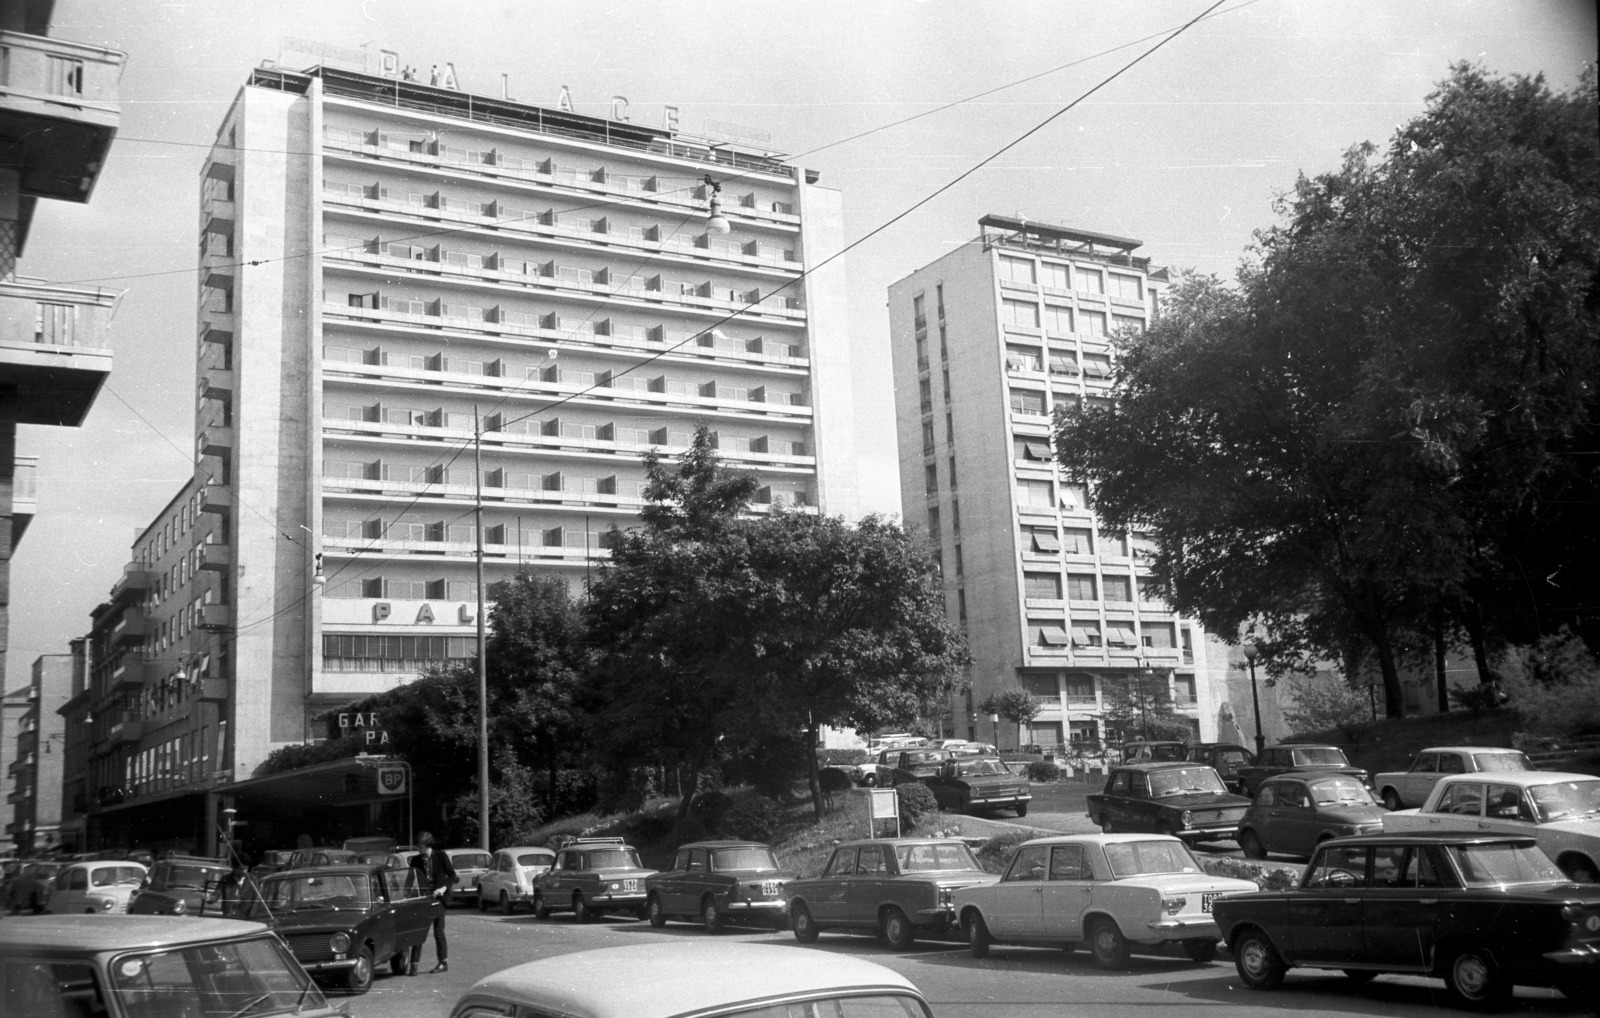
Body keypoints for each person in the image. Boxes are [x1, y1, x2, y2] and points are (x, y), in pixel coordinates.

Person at [407, 832, 457, 974]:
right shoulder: (415, 860)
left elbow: (452, 875)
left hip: (438, 899)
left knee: (438, 932)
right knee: (419, 931)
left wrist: (443, 888)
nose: (418, 848)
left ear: (427, 845)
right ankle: (414, 964)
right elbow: (410, 879)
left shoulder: (440, 856)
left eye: (420, 846)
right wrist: (405, 894)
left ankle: (443, 962)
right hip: (424, 899)